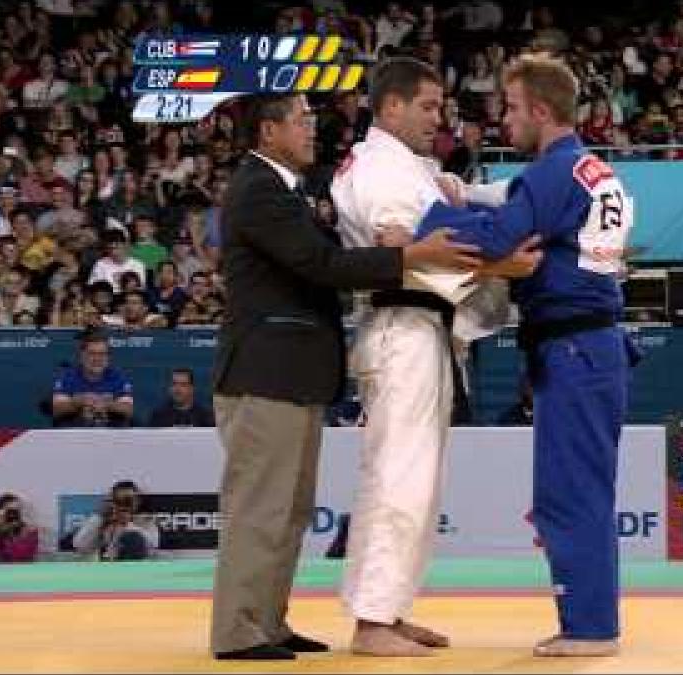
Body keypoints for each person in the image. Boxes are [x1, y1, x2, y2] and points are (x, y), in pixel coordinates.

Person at [208, 92, 478, 662]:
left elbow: (320, 259)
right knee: (262, 507)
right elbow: (322, 266)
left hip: (292, 373)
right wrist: (409, 256)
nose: (312, 129)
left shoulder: (287, 190)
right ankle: (238, 631)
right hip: (265, 372)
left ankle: (268, 621)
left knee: (289, 508)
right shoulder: (258, 189)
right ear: (266, 131)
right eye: (301, 120)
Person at [417, 54, 636, 657]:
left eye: (511, 109)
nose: (504, 120)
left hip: (573, 347)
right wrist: (472, 198)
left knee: (569, 495)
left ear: (542, 110)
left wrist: (423, 218)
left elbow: (491, 238)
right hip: (594, 347)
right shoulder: (597, 172)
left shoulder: (548, 175)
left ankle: (590, 629)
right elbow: (520, 217)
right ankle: (592, 622)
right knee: (584, 490)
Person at [329, 56, 541, 657]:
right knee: (399, 475)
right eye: (426, 107)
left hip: (425, 329)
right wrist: (504, 266)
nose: (438, 118)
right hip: (402, 327)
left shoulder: (408, 167)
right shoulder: (378, 168)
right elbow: (399, 245)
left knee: (417, 479)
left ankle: (389, 611)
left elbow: (440, 219)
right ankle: (372, 621)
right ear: (390, 106)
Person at [50, 331, 134, 427]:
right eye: (92, 353)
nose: (97, 359)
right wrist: (79, 401)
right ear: (82, 356)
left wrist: (108, 404)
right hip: (74, 435)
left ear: (108, 357)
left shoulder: (117, 377)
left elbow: (128, 410)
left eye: (102, 354)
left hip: (110, 435)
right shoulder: (68, 376)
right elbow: (57, 409)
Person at [71, 480, 160, 561]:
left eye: (128, 500)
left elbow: (153, 545)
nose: (124, 504)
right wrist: (100, 518)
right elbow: (79, 545)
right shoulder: (103, 520)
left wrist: (128, 524)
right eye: (119, 500)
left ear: (137, 501)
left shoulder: (144, 519)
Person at [147, 368, 214, 427]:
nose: (177, 389)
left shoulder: (205, 418)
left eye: (183, 385)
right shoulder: (158, 417)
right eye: (174, 384)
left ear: (192, 388)